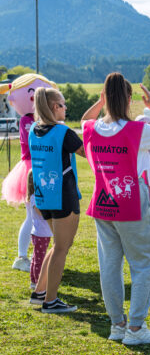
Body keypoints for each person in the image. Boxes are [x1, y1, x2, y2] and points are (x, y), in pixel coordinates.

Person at [81, 73, 150, 344]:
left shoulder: (92, 128)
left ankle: (117, 325)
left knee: (109, 266)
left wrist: (101, 104)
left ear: (104, 98)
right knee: (144, 263)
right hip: (132, 203)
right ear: (129, 99)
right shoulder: (136, 130)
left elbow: (83, 120)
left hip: (102, 204)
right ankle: (135, 328)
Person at [28, 87, 85, 313]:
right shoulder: (64, 133)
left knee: (57, 245)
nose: (66, 108)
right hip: (63, 196)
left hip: (43, 196)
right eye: (63, 104)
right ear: (54, 107)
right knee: (62, 247)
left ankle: (40, 292)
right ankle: (50, 301)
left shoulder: (34, 129)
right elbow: (90, 152)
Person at [1, 74, 58, 273]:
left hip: (38, 168)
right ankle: (22, 256)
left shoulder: (34, 120)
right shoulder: (27, 120)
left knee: (38, 216)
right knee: (32, 216)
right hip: (31, 170)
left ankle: (33, 255)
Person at [25, 169, 53, 294]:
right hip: (41, 233)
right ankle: (37, 282)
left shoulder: (33, 196)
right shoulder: (36, 198)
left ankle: (34, 280)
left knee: (36, 257)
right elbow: (40, 212)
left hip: (40, 232)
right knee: (39, 259)